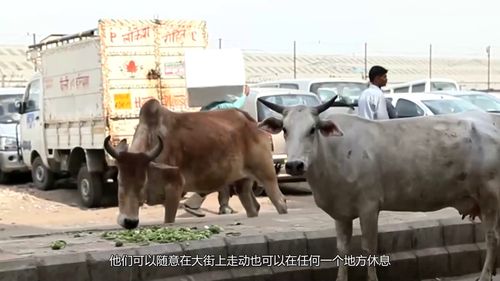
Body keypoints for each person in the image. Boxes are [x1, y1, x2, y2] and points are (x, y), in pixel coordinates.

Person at [182, 85, 250, 217]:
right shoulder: (220, 107)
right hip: (214, 148)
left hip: (208, 147)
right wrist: (245, 95)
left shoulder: (205, 107)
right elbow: (235, 106)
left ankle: (224, 206)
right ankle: (194, 202)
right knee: (220, 177)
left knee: (225, 178)